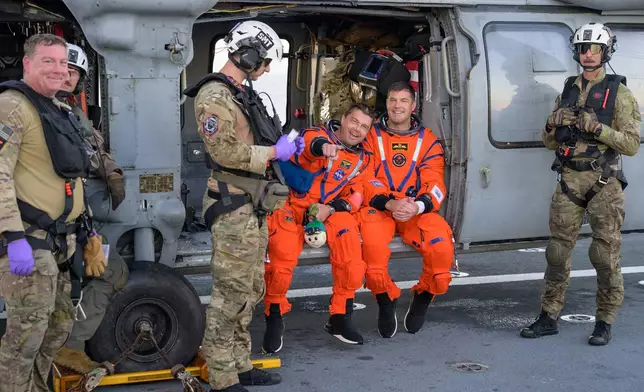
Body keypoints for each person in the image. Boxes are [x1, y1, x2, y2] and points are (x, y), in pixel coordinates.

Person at [182, 21, 304, 392]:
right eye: (264, 61)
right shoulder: (214, 97)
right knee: (229, 295)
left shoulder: (238, 94)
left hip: (251, 205)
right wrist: (273, 152)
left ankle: (239, 363)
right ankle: (221, 377)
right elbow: (223, 151)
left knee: (250, 290)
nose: (266, 69)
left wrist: (285, 148)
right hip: (232, 205)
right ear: (247, 54)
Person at [520, 22, 641, 345]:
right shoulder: (568, 89)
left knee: (604, 254)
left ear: (605, 52)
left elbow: (631, 144)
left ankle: (605, 321)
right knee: (557, 252)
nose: (588, 54)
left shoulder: (620, 94)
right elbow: (550, 141)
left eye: (595, 49)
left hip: (605, 182)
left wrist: (597, 129)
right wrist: (552, 122)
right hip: (569, 179)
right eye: (583, 48)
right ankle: (549, 315)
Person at [0, 33, 105, 391]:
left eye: (63, 63)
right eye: (48, 61)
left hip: (65, 242)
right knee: (24, 339)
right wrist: (12, 237)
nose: (58, 70)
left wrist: (88, 229)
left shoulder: (58, 111)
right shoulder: (12, 106)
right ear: (28, 64)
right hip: (29, 241)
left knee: (56, 329)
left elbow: (72, 177)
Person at [263, 103, 388, 352]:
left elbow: (357, 196)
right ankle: (274, 315)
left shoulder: (364, 160)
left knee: (350, 242)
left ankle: (340, 317)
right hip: (291, 205)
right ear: (342, 119)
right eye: (354, 122)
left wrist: (329, 209)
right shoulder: (316, 135)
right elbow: (310, 145)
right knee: (283, 249)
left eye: (364, 127)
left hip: (325, 210)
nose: (357, 130)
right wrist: (324, 148)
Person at [53, 43, 130, 374]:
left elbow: (92, 150)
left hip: (73, 217)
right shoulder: (37, 113)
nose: (66, 76)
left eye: (73, 72)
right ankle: (65, 348)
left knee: (109, 271)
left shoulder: (69, 114)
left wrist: (109, 169)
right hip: (46, 221)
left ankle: (65, 347)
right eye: (61, 69)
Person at [357, 81, 455, 338]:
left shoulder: (428, 142)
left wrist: (417, 205)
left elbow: (435, 183)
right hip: (379, 208)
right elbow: (363, 178)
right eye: (392, 100)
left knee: (442, 249)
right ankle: (385, 300)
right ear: (386, 104)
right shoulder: (370, 138)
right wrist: (388, 203)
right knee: (373, 256)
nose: (397, 105)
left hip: (415, 210)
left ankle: (423, 294)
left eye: (403, 101)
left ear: (413, 106)